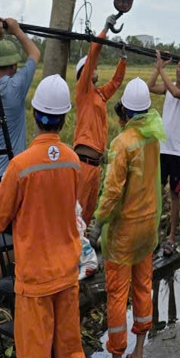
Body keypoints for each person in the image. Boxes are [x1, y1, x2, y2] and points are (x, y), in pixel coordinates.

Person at [0, 75, 85, 358]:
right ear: (63, 119)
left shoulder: (21, 166)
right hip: (66, 274)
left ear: (35, 116)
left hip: (35, 280)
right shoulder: (73, 162)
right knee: (70, 353)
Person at [87, 78, 166, 358]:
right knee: (144, 286)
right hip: (148, 230)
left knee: (118, 295)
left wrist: (98, 222)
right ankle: (139, 354)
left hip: (123, 234)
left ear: (126, 113)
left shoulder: (123, 144)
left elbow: (112, 192)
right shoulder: (153, 136)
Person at [0, 17, 40, 278]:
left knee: (0, 240)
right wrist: (17, 31)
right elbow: (35, 53)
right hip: (10, 178)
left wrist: (0, 36)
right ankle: (3, 296)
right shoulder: (15, 88)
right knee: (9, 242)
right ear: (14, 66)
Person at [74, 27, 127, 226]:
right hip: (83, 165)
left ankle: (83, 252)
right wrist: (104, 31)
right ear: (84, 74)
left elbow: (116, 82)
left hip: (94, 168)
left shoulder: (99, 94)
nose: (95, 69)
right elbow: (92, 54)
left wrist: (123, 60)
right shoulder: (83, 91)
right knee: (76, 215)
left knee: (87, 215)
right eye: (92, 68)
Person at [147, 51, 180, 257]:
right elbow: (149, 87)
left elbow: (175, 93)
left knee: (175, 195)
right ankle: (156, 234)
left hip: (177, 152)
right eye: (179, 66)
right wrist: (158, 70)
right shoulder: (168, 86)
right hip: (162, 148)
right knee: (157, 193)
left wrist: (160, 68)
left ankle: (172, 238)